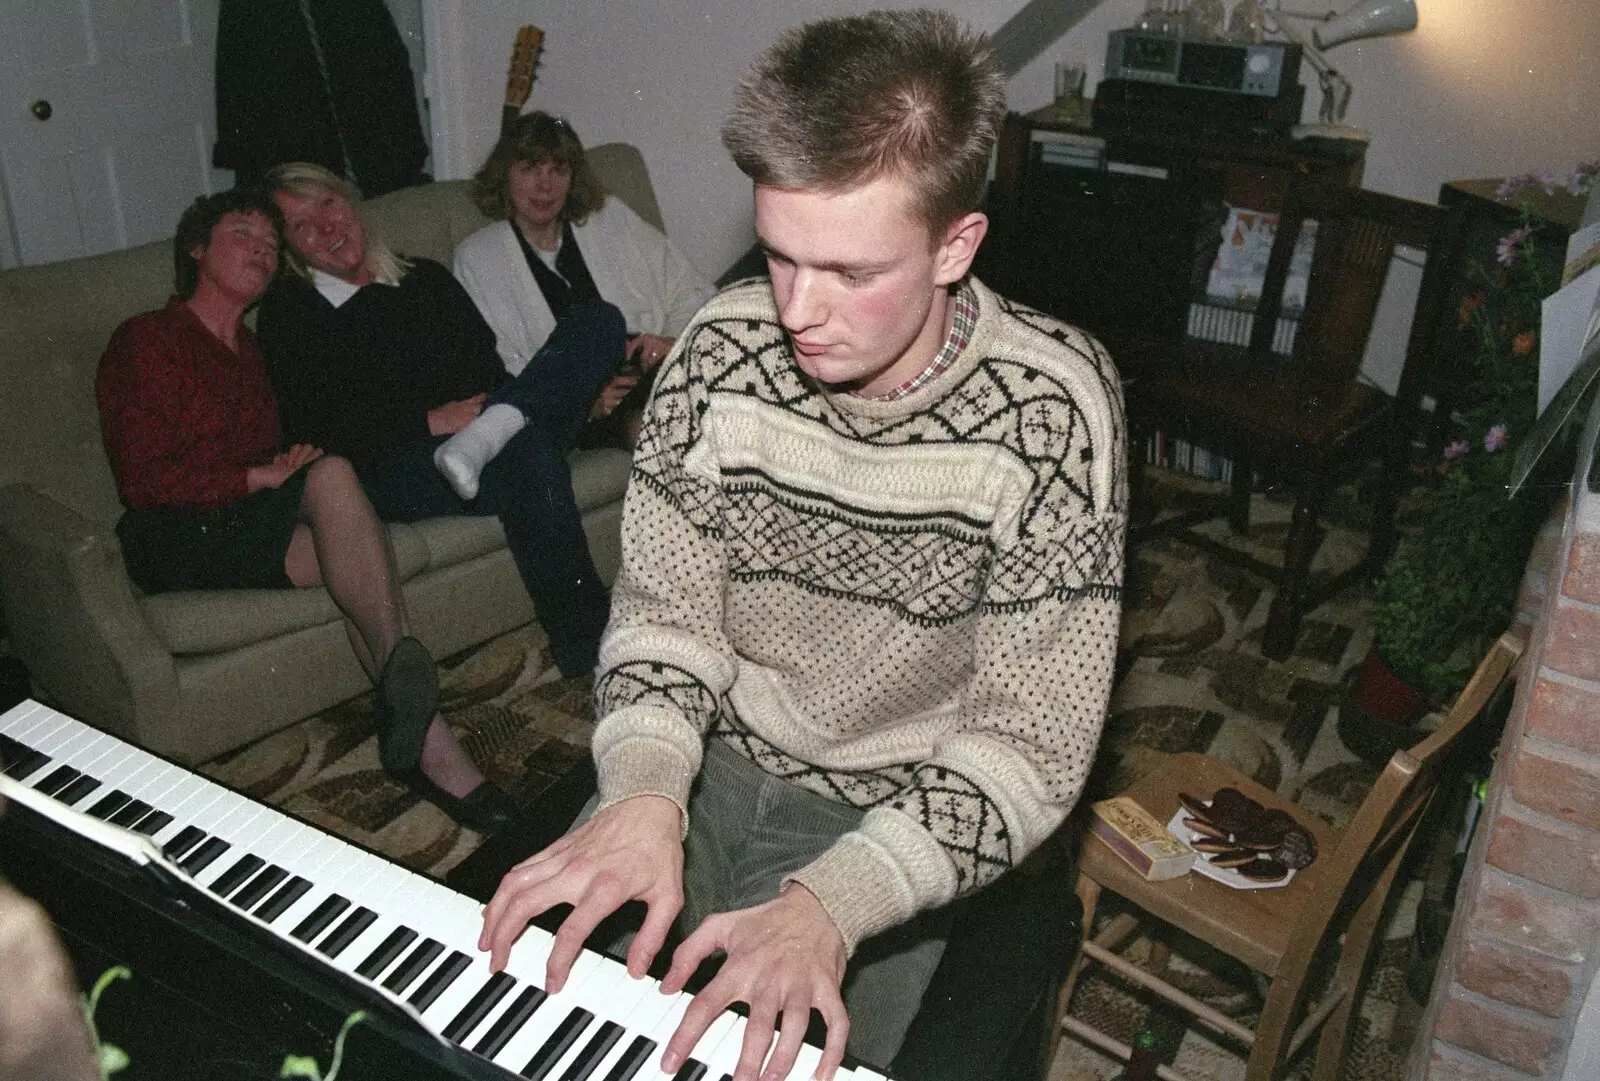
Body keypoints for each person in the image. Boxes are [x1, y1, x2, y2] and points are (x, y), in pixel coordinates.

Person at [478, 10, 1127, 1081]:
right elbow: (661, 620)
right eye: (778, 256)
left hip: (896, 803)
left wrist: (834, 902)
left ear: (954, 246)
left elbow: (1031, 745)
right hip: (708, 755)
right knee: (525, 1030)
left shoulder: (1054, 410)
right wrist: (643, 791)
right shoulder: (718, 354)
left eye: (849, 272)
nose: (796, 310)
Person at [95, 190, 514, 833]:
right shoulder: (146, 340)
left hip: (246, 520)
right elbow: (142, 478)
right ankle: (431, 735)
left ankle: (422, 741)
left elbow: (275, 448)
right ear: (195, 249)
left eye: (270, 246)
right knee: (341, 493)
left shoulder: (255, 353)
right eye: (243, 235)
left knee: (350, 550)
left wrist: (286, 461)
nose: (262, 253)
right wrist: (257, 475)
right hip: (174, 531)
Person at [256, 163, 617, 678]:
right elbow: (318, 427)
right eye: (302, 225)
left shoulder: (424, 276)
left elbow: (488, 369)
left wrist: (489, 410)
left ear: (351, 203)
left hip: (479, 430)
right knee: (531, 454)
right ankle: (592, 655)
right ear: (291, 250)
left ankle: (494, 433)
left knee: (599, 321)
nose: (328, 228)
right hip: (394, 465)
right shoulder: (292, 313)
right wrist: (427, 420)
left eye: (329, 206)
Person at [446, 111, 713, 474]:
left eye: (558, 170)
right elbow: (500, 365)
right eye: (530, 169)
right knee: (651, 423)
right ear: (505, 175)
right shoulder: (478, 257)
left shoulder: (610, 218)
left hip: (653, 372)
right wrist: (584, 401)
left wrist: (667, 342)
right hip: (577, 411)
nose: (545, 186)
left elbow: (690, 288)